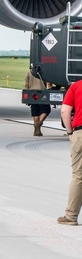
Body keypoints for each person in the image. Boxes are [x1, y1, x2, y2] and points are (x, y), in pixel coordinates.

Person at [57, 79, 81, 226]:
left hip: (80, 132)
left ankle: (71, 216)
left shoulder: (76, 86)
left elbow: (65, 111)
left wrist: (70, 132)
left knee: (79, 176)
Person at [25, 71, 50, 136]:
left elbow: (26, 84)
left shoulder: (29, 72)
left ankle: (36, 127)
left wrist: (28, 95)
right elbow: (49, 84)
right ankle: (39, 123)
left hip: (32, 93)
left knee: (35, 111)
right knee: (46, 110)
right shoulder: (44, 72)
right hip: (42, 93)